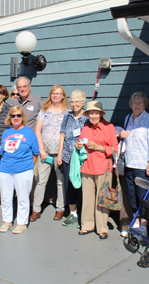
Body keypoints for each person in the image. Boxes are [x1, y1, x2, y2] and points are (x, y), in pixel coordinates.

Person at [117, 92, 149, 232]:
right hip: (129, 164)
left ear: (145, 104)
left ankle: (144, 224)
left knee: (144, 195)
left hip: (142, 165)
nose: (137, 105)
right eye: (134, 102)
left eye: (140, 102)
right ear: (130, 105)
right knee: (132, 195)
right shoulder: (128, 118)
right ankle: (136, 220)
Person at [75, 101, 118, 240]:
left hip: (103, 168)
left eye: (96, 113)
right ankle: (87, 225)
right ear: (88, 114)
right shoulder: (85, 128)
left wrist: (99, 147)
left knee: (102, 199)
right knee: (87, 199)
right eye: (91, 113)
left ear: (100, 114)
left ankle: (102, 228)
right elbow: (82, 143)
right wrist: (79, 146)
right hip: (87, 167)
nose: (93, 116)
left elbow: (114, 149)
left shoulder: (109, 127)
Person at [30, 85, 69, 222]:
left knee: (60, 181)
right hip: (45, 153)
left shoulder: (67, 112)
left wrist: (60, 154)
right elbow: (38, 130)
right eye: (53, 93)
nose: (55, 96)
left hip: (60, 153)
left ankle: (60, 208)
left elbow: (66, 134)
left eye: (58, 93)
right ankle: (36, 209)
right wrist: (41, 149)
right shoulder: (44, 110)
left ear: (63, 96)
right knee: (41, 181)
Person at [0, 106, 39, 234]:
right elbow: (3, 152)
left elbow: (35, 153)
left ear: (22, 117)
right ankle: (7, 221)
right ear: (9, 118)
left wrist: (27, 167)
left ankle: (22, 223)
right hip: (5, 169)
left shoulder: (29, 132)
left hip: (23, 170)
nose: (16, 118)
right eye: (13, 116)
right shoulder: (6, 132)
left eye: (18, 115)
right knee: (5, 197)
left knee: (22, 198)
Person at [57, 89, 89, 226]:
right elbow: (62, 135)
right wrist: (59, 155)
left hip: (82, 158)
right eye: (72, 101)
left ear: (83, 103)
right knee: (70, 185)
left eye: (77, 101)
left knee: (82, 186)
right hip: (67, 157)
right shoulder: (67, 116)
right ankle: (73, 213)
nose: (74, 104)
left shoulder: (87, 118)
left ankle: (84, 215)